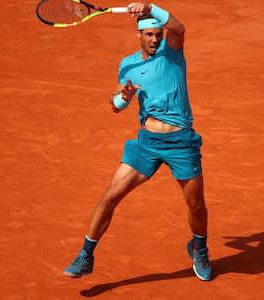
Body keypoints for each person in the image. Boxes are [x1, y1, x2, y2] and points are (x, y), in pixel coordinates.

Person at [63, 2, 212, 281]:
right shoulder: (128, 65)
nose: (156, 39)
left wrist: (151, 7)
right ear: (139, 35)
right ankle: (86, 255)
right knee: (109, 197)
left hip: (181, 143)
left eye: (158, 34)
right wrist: (124, 98)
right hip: (146, 144)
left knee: (196, 206)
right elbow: (115, 104)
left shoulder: (173, 53)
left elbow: (178, 27)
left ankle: (200, 249)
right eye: (150, 35)